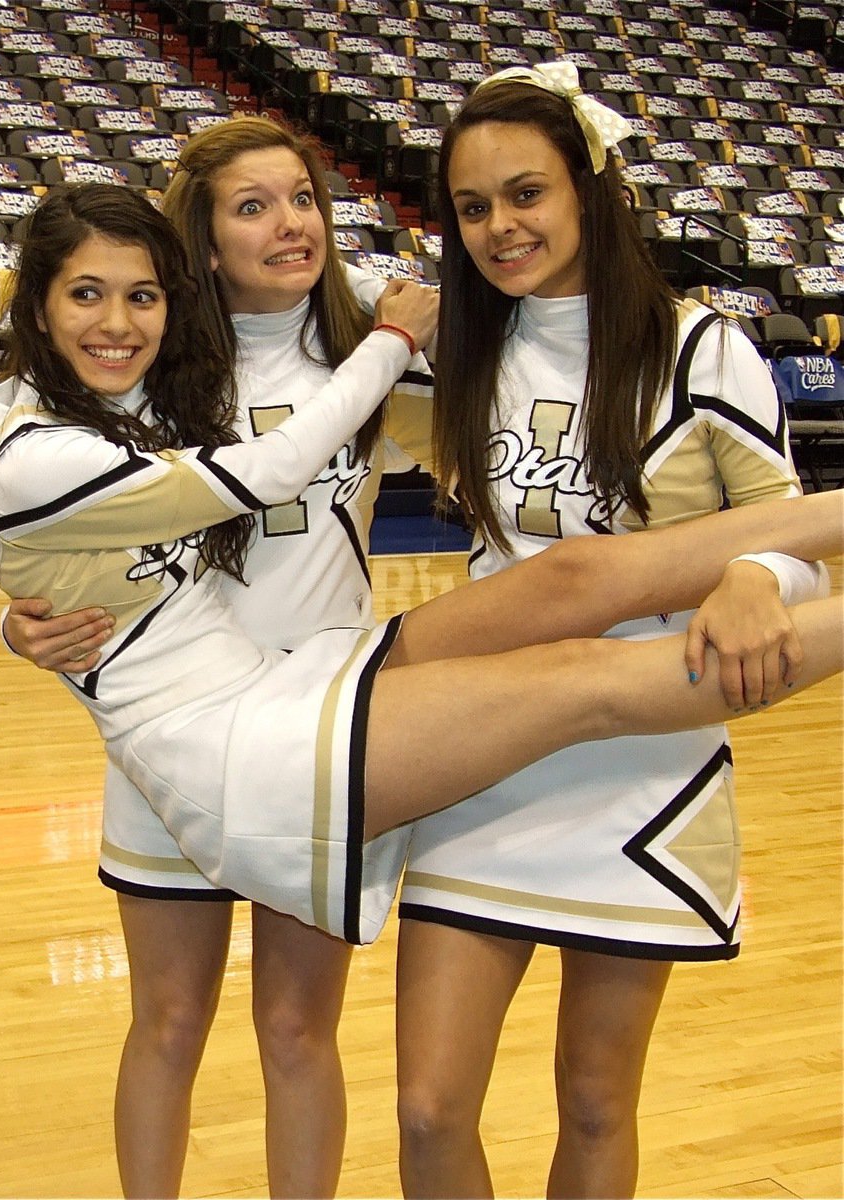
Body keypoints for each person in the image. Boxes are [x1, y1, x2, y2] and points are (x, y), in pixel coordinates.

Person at [0, 185, 842, 933]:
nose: (118, 322)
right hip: (221, 748)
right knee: (584, 681)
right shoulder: (45, 444)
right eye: (86, 295)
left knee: (569, 577)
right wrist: (390, 337)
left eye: (304, 202)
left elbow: (49, 561)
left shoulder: (150, 392)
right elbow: (267, 468)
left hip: (299, 673)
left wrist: (28, 618)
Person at [390, 63, 834, 1200]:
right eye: (472, 206)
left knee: (594, 1099)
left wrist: (754, 569)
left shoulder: (702, 349)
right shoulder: (450, 348)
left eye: (524, 193)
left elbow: (784, 524)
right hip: (477, 746)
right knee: (430, 1107)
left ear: (590, 189)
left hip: (640, 747)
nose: (499, 227)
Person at [0, 117, 433, 1200]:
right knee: (169, 1020)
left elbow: (505, 473)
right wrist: (20, 624)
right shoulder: (146, 368)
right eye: (253, 205)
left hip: (321, 725)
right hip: (179, 737)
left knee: (296, 1028)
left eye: (303, 198)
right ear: (204, 236)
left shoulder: (381, 365)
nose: (290, 225)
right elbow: (43, 522)